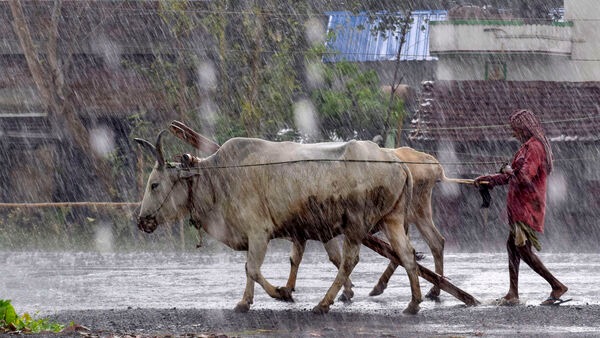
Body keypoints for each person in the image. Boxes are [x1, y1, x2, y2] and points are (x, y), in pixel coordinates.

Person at [475, 109, 569, 306]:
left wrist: (507, 170)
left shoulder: (534, 147)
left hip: (527, 207)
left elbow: (524, 177)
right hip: (519, 207)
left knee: (522, 249)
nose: (514, 133)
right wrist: (488, 179)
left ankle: (556, 285)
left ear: (525, 128)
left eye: (516, 129)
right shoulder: (525, 148)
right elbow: (511, 175)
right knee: (512, 246)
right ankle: (513, 292)